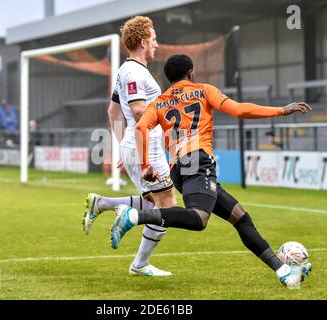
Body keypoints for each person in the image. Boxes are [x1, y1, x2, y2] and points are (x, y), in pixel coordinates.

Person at [111, 54, 313, 289]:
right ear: (190, 73)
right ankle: (135, 216)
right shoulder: (204, 90)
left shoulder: (159, 102)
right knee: (199, 219)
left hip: (178, 168)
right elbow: (239, 110)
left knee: (240, 217)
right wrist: (281, 110)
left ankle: (284, 271)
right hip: (197, 160)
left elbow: (141, 127)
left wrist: (145, 165)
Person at [83, 16, 177, 276]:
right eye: (154, 39)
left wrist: (125, 146)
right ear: (144, 41)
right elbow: (137, 112)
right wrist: (141, 152)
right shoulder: (135, 72)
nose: (157, 44)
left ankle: (102, 204)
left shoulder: (126, 71)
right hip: (147, 147)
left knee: (152, 204)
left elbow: (113, 111)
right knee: (167, 208)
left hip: (136, 145)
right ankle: (139, 264)